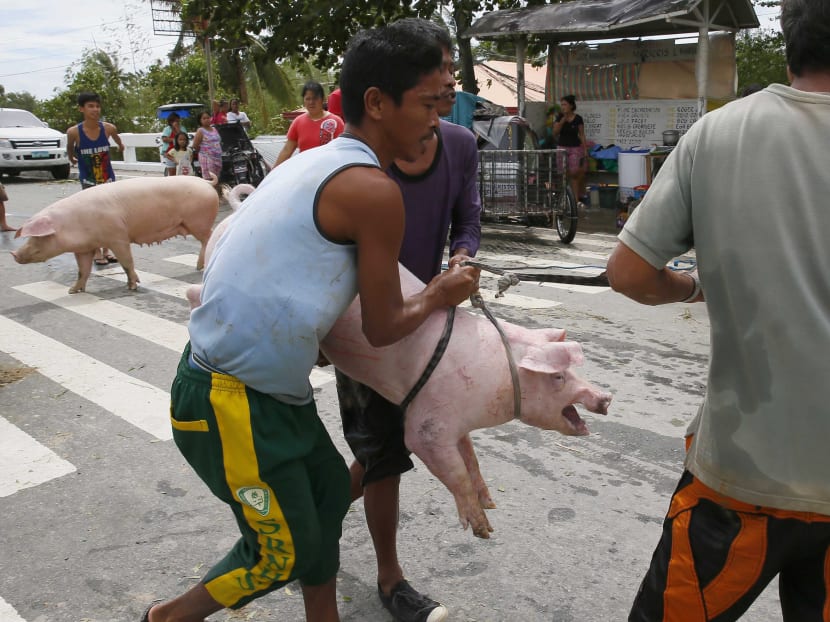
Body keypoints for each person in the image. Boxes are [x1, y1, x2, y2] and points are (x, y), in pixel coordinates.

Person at [141, 18, 480, 622]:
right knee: (280, 554)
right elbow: (383, 327)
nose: (438, 120)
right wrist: (439, 293)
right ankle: (166, 618)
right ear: (377, 102)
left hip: (271, 393)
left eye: (444, 104)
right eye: (430, 103)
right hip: (227, 399)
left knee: (326, 505)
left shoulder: (316, 159)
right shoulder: (373, 190)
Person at [606, 1, 830, 620]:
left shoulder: (721, 132)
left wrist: (693, 288)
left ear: (790, 43)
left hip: (741, 480)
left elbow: (629, 273)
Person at [333, 18, 480, 622]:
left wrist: (461, 259)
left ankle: (314, 518)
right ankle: (391, 580)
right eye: (434, 81)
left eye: (448, 76)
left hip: (429, 319)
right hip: (368, 320)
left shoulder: (462, 146)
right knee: (385, 451)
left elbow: (466, 219)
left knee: (378, 449)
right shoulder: (353, 164)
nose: (447, 85)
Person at [66, 91, 124, 265]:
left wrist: (121, 146)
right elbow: (70, 147)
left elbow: (118, 140)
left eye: (97, 106)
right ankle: (96, 251)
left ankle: (107, 250)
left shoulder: (108, 128)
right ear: (81, 109)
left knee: (109, 215)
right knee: (93, 215)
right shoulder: (74, 132)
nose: (95, 109)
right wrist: (71, 158)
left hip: (107, 179)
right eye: (90, 106)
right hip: (89, 181)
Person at [272, 81, 345, 167]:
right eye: (308, 99)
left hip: (329, 172)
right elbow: (287, 150)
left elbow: (343, 150)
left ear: (323, 99)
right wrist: (273, 172)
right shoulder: (298, 122)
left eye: (315, 98)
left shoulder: (336, 121)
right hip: (305, 171)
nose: (311, 102)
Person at [552, 94, 588, 207]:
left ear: (571, 106)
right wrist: (562, 120)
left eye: (565, 104)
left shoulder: (578, 119)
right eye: (561, 105)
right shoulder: (559, 117)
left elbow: (581, 135)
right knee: (561, 174)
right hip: (562, 147)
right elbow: (555, 133)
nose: (563, 107)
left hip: (575, 148)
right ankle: (562, 199)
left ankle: (575, 200)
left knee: (574, 173)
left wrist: (585, 149)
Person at [191, 111, 223, 182]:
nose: (207, 120)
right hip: (207, 158)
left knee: (217, 178)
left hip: (217, 158)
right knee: (210, 179)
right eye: (204, 118)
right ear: (200, 120)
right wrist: (204, 152)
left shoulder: (214, 129)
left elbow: (218, 141)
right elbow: (195, 145)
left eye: (208, 118)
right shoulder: (200, 131)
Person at [159, 112, 181, 177]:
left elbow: (183, 137)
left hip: (180, 151)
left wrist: (177, 129)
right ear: (171, 122)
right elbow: (164, 139)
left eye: (178, 121)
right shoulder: (167, 129)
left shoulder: (182, 128)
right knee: (172, 173)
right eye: (175, 121)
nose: (177, 123)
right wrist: (175, 140)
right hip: (169, 152)